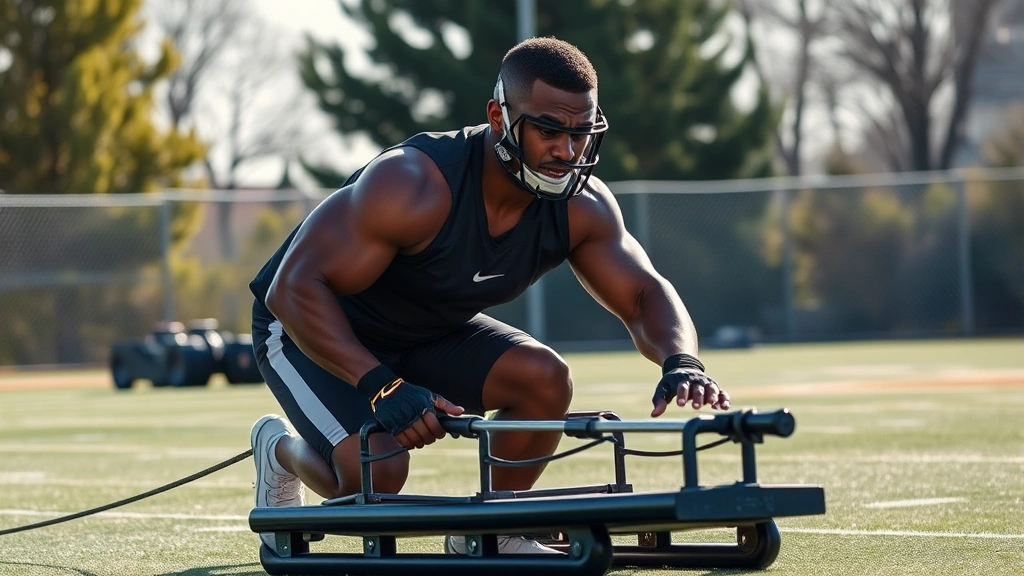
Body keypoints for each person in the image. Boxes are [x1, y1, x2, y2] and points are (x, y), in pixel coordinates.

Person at [247, 36, 731, 555]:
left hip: (429, 332)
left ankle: (492, 526)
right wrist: (381, 386)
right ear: (499, 118)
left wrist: (682, 360)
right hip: (310, 330)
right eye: (548, 130)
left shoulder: (581, 205)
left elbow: (641, 293)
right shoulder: (414, 183)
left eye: (580, 133)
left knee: (545, 380)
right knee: (378, 473)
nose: (566, 152)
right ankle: (281, 452)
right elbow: (293, 289)